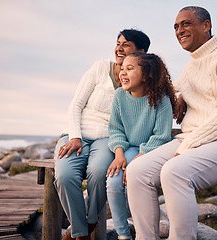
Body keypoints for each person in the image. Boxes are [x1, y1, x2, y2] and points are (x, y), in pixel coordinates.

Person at [126, 6, 217, 239]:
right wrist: (178, 94)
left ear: (206, 26)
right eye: (176, 27)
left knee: (175, 172)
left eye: (186, 24)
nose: (179, 30)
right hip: (195, 142)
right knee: (137, 170)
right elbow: (169, 91)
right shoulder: (191, 67)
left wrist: (190, 145)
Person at [54, 29, 150, 240]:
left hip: (108, 139)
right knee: (64, 176)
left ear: (141, 52)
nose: (119, 48)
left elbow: (165, 89)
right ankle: (81, 233)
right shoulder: (100, 68)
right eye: (118, 43)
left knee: (99, 174)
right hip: (76, 134)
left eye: (126, 44)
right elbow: (76, 105)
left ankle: (88, 223)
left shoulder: (141, 81)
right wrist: (74, 136)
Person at [106, 52, 176, 239]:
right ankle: (123, 234)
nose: (123, 73)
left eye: (130, 69)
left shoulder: (161, 99)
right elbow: (115, 129)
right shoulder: (120, 95)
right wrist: (119, 154)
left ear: (146, 75)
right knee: (113, 182)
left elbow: (161, 136)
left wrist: (137, 160)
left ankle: (143, 233)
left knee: (134, 179)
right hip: (129, 149)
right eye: (122, 69)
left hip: (153, 151)